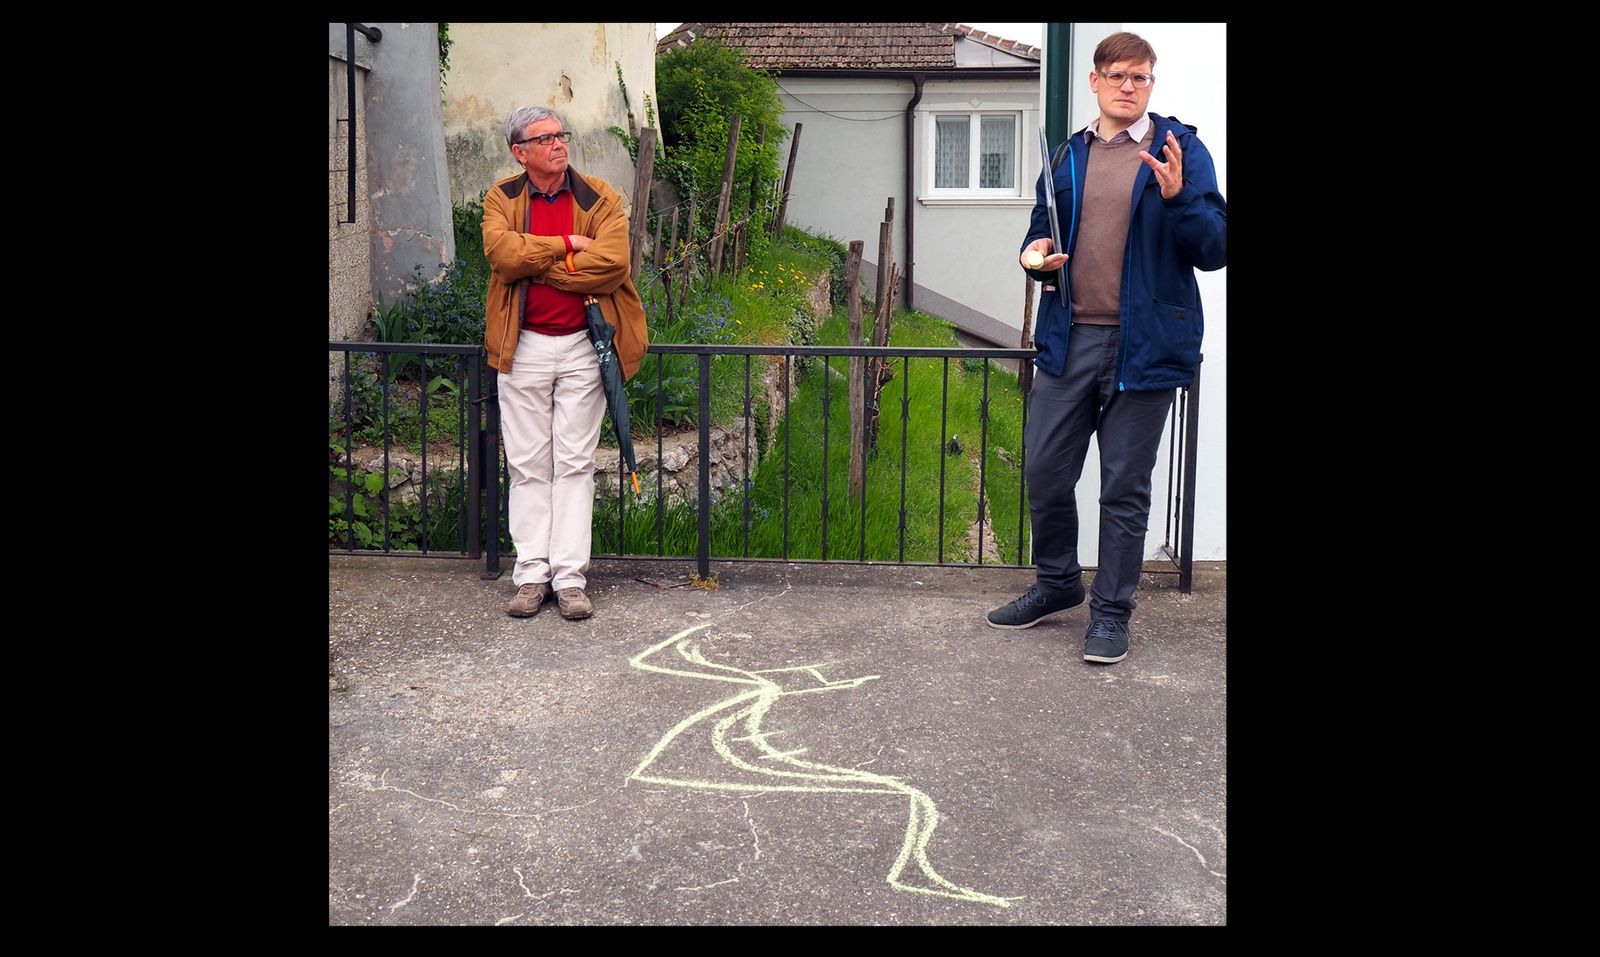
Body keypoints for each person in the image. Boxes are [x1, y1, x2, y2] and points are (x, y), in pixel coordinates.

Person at [987, 32, 1226, 664]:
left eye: (1140, 77)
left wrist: (1178, 198)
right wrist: (1032, 257)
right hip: (1068, 340)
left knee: (1123, 488)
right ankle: (1057, 583)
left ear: (1151, 84)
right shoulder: (1067, 155)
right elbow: (1040, 232)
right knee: (1044, 469)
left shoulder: (1179, 149)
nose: (1128, 86)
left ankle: (1112, 613)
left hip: (1144, 347)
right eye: (1117, 75)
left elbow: (1214, 248)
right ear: (1095, 81)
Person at [482, 106, 648, 621]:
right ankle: (532, 575)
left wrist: (541, 268)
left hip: (583, 345)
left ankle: (571, 579)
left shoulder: (598, 196)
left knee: (575, 463)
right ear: (520, 152)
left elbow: (613, 263)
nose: (559, 144)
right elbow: (503, 256)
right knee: (528, 464)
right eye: (545, 138)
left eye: (561, 134)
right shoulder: (502, 198)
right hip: (522, 346)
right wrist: (567, 245)